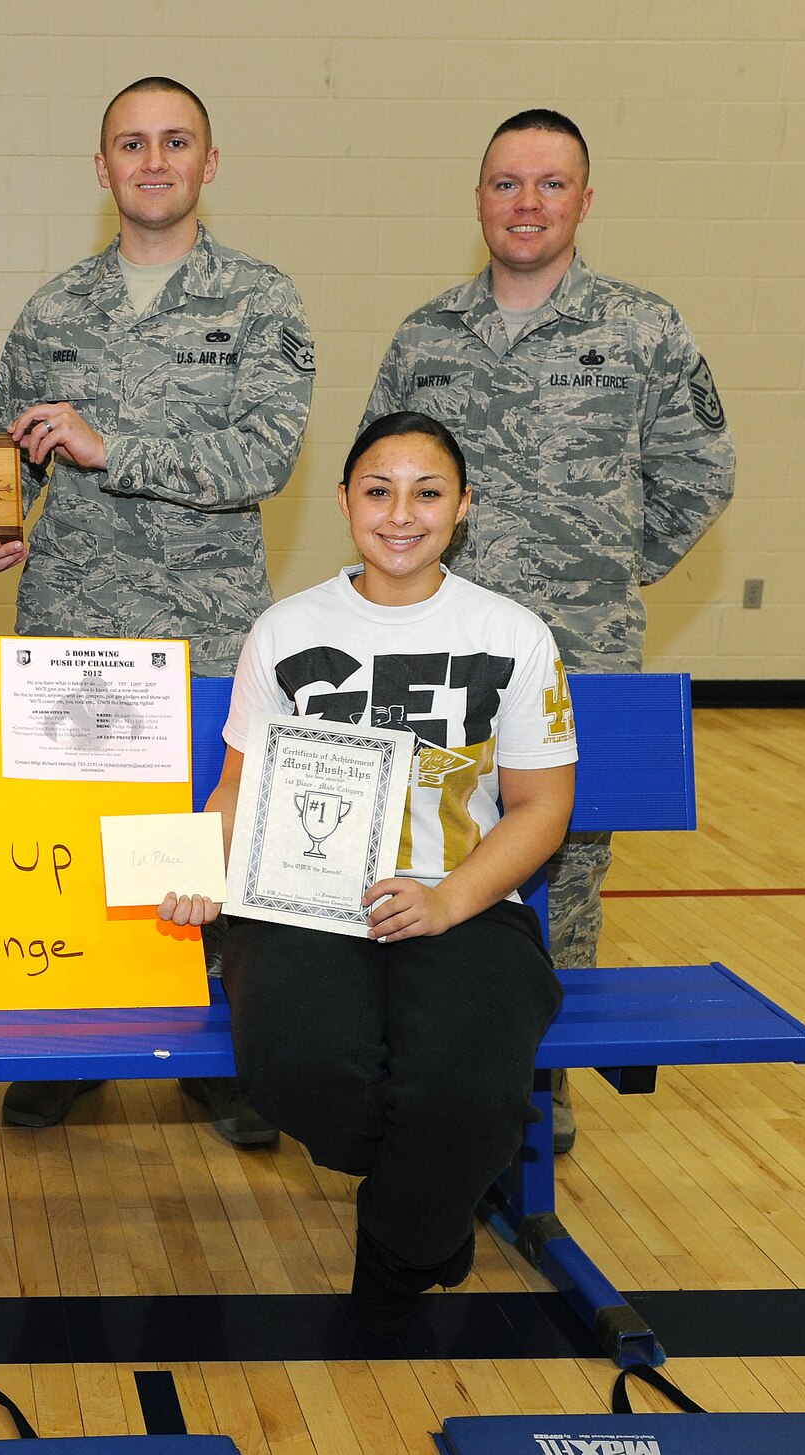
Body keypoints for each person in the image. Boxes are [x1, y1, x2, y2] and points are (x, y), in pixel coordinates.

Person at [0, 75, 314, 1141]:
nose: (153, 161)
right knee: (68, 847)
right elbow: (9, 460)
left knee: (212, 843)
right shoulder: (53, 309)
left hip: (205, 630)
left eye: (174, 141)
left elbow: (266, 456)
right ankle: (73, 1046)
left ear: (208, 163)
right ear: (101, 169)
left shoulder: (260, 301)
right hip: (71, 627)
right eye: (131, 144)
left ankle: (220, 1056)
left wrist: (112, 449)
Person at [362, 108, 733, 1153]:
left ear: (583, 199)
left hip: (579, 652)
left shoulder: (643, 329)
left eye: (550, 184)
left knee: (563, 871)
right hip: (437, 654)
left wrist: (604, 572)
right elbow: (381, 473)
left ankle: (538, 1084)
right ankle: (427, 1070)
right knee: (424, 841)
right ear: (478, 198)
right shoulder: (424, 337)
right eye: (505, 183)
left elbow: (700, 472)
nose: (526, 204)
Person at [159, 411, 577, 1334]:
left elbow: (542, 808)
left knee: (468, 1086)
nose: (401, 514)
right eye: (379, 491)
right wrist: (197, 867)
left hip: (464, 901)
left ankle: (399, 1256)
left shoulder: (511, 632)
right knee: (299, 1070)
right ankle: (429, 1202)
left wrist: (447, 900)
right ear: (345, 500)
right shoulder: (287, 628)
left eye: (428, 492)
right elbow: (237, 787)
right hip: (302, 901)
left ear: (462, 506)